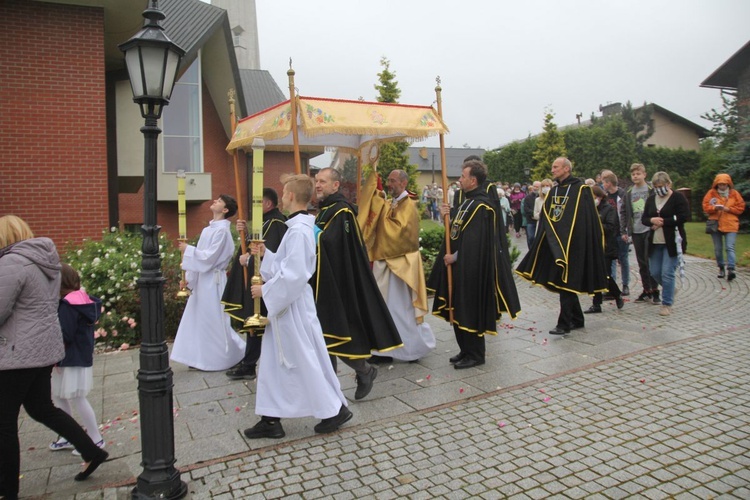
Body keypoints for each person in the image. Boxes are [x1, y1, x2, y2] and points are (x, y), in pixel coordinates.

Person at [1, 216, 109, 499]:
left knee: (5, 422)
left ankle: (7, 490)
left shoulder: (11, 264)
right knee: (41, 408)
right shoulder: (46, 263)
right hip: (41, 348)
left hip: (17, 352)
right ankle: (91, 450)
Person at [243, 174, 351, 439]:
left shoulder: (300, 231)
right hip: (289, 306)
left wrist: (265, 290)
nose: (281, 195)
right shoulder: (296, 229)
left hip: (292, 307)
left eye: (283, 191)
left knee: (303, 359)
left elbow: (295, 274)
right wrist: (265, 255)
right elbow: (284, 265)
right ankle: (271, 418)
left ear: (291, 196)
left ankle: (333, 409)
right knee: (279, 362)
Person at [312, 167, 402, 400]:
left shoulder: (341, 211)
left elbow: (336, 244)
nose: (318, 185)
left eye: (323, 181)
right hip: (322, 280)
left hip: (338, 283)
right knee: (325, 336)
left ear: (335, 185)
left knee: (335, 334)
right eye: (316, 181)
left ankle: (361, 372)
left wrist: (309, 233)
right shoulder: (324, 211)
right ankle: (333, 388)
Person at [427, 160, 521, 368]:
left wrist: (456, 257)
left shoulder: (481, 206)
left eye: (462, 176)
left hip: (472, 268)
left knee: (470, 309)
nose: (459, 179)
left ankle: (476, 354)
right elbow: (458, 232)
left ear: (473, 180)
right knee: (458, 308)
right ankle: (465, 349)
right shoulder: (466, 202)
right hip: (460, 269)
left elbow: (475, 241)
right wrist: (447, 216)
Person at [516, 157, 608, 335]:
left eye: (556, 167)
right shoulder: (554, 191)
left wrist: (576, 241)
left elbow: (586, 220)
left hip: (575, 245)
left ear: (566, 169)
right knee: (564, 282)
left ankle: (564, 323)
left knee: (567, 281)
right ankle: (577, 319)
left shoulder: (581, 190)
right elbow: (546, 217)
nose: (552, 170)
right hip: (556, 244)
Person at [358, 169, 436, 364]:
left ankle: (411, 350)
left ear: (403, 183)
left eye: (392, 181)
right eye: (388, 180)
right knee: (385, 308)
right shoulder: (392, 202)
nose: (389, 184)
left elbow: (398, 233)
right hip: (387, 264)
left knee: (401, 310)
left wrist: (378, 205)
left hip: (401, 267)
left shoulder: (408, 204)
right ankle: (385, 350)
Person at [170, 195, 246, 371]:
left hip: (214, 281)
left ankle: (228, 356)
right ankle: (201, 358)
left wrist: (188, 249)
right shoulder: (207, 230)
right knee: (200, 320)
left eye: (219, 201)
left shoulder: (222, 232)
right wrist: (188, 280)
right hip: (203, 282)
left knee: (214, 320)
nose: (215, 201)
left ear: (225, 210)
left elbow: (209, 258)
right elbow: (201, 259)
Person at [222, 188, 287, 380]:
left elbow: (269, 255)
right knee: (255, 323)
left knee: (258, 323)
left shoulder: (275, 223)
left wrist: (248, 261)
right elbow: (256, 246)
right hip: (259, 284)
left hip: (265, 284)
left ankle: (250, 364)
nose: (254, 208)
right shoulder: (267, 222)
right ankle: (249, 363)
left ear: (267, 204)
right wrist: (246, 232)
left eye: (257, 203)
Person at [48, 264, 105, 456]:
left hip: (69, 357)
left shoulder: (67, 305)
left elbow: (65, 334)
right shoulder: (82, 300)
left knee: (73, 397)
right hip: (78, 356)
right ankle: (68, 435)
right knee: (62, 396)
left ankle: (95, 438)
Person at [641, 172, 689, 316]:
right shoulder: (651, 200)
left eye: (660, 186)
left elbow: (684, 216)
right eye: (655, 186)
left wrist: (663, 222)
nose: (658, 189)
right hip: (655, 242)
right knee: (655, 272)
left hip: (672, 242)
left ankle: (666, 303)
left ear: (668, 184)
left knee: (667, 273)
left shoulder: (678, 198)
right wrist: (652, 221)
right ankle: (670, 288)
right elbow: (644, 218)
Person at [621, 163, 659, 304]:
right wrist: (624, 229)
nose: (635, 176)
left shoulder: (651, 189)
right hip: (636, 230)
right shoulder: (629, 191)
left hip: (649, 229)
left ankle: (655, 290)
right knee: (641, 262)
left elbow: (658, 205)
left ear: (644, 174)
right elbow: (624, 211)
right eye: (633, 174)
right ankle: (646, 289)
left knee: (650, 260)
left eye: (638, 173)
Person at [585, 187, 625, 313]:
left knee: (604, 274)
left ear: (599, 196)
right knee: (594, 274)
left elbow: (610, 227)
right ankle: (596, 304)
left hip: (606, 246)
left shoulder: (609, 209)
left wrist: (595, 223)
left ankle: (616, 293)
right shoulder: (588, 210)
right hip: (592, 246)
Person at [702, 173, 745, 282]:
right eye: (720, 184)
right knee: (718, 249)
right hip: (715, 224)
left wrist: (728, 209)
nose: (722, 186)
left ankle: (731, 269)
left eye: (724, 184)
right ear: (716, 184)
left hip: (730, 224)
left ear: (728, 184)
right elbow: (706, 206)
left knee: (730, 247)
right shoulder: (711, 194)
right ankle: (721, 267)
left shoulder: (734, 194)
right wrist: (714, 208)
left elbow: (740, 207)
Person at [601, 170, 630, 296]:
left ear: (609, 183)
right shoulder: (605, 196)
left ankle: (625, 284)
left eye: (604, 182)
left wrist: (626, 230)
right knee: (610, 260)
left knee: (623, 258)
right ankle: (611, 286)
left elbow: (627, 213)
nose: (602, 185)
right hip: (610, 232)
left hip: (621, 231)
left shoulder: (623, 194)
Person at [523, 181, 540, 249]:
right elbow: (526, 209)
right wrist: (534, 214)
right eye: (534, 186)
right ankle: (531, 250)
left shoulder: (542, 197)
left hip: (539, 220)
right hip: (530, 220)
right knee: (530, 237)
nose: (535, 188)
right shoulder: (528, 197)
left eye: (537, 187)